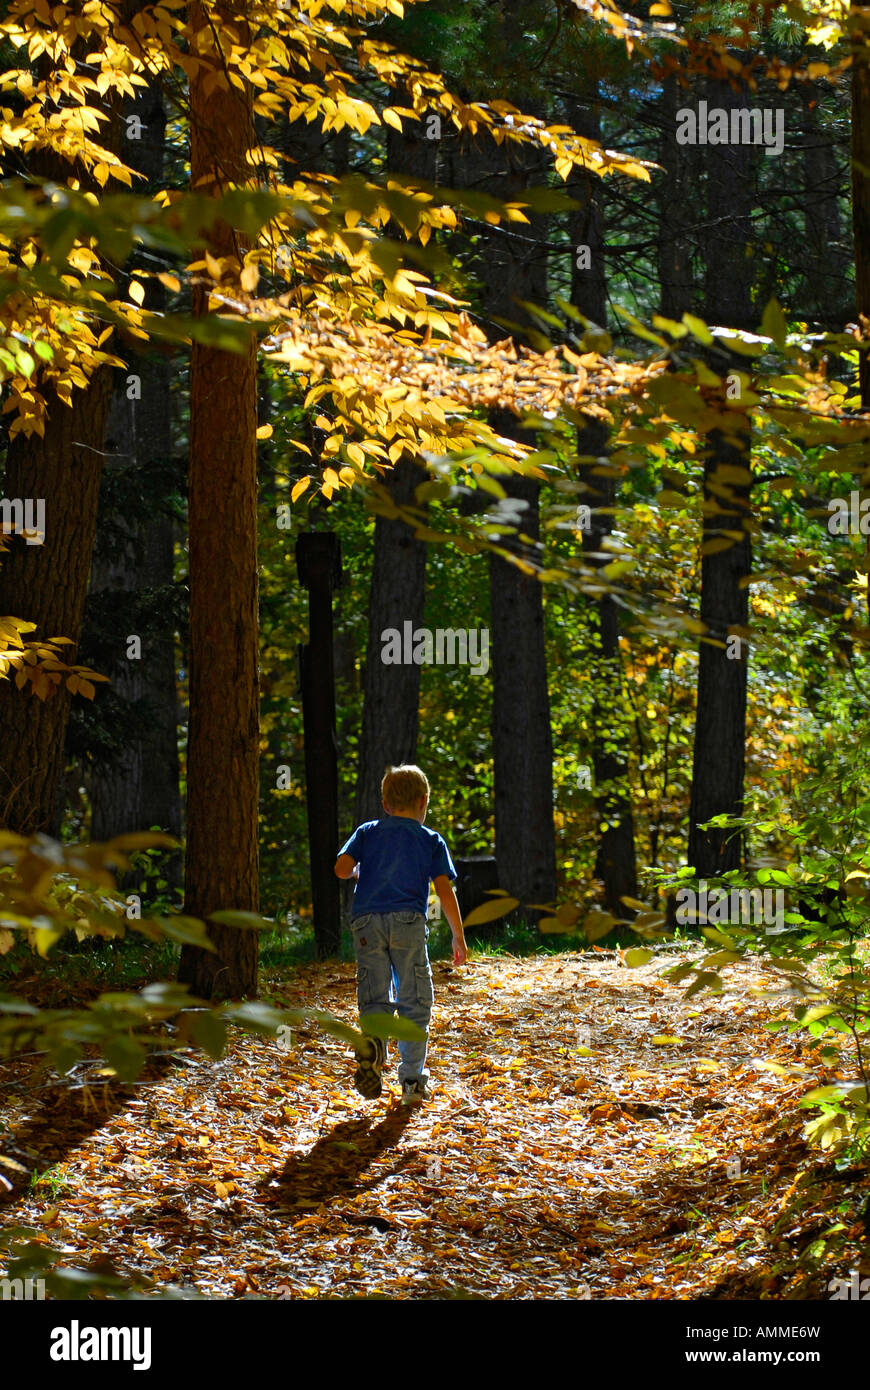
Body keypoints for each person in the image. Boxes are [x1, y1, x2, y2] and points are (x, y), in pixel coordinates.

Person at [334, 764, 467, 1105]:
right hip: (408, 922)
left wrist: (358, 872)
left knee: (374, 994)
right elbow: (443, 890)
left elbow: (341, 868)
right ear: (423, 801)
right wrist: (457, 935)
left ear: (385, 804)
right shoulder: (430, 839)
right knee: (414, 998)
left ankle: (375, 1044)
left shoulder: (367, 830)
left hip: (366, 922)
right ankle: (411, 1081)